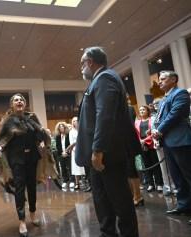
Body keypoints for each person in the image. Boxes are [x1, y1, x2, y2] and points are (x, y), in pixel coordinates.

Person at [75, 46, 138, 237]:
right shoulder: (98, 80)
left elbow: (105, 116)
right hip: (101, 155)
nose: (81, 68)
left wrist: (98, 149)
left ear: (90, 62)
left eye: (82, 63)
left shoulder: (105, 78)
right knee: (102, 201)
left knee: (120, 201)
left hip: (107, 155)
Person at [0, 93, 46, 237]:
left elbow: (39, 133)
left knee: (32, 187)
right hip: (16, 159)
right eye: (16, 100)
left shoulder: (32, 118)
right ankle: (22, 220)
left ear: (24, 104)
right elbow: (1, 140)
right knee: (19, 188)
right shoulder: (7, 121)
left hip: (32, 157)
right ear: (12, 105)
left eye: (21, 99)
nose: (19, 101)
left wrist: (41, 141)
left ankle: (33, 214)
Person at [152, 71, 191, 225]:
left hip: (180, 140)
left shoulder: (180, 93)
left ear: (174, 79)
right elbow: (160, 117)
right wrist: (155, 129)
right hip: (167, 142)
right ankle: (184, 205)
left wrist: (159, 129)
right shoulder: (163, 99)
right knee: (177, 177)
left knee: (188, 175)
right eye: (159, 79)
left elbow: (175, 114)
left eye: (163, 79)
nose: (159, 82)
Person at [135, 105, 163, 192]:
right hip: (142, 146)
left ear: (147, 111)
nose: (142, 111)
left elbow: (154, 132)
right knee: (146, 165)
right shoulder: (136, 122)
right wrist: (140, 141)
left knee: (155, 165)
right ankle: (150, 184)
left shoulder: (152, 119)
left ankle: (159, 184)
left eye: (143, 109)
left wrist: (145, 139)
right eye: (140, 110)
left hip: (152, 144)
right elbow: (136, 134)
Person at [66, 117, 85, 189]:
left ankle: (85, 181)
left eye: (76, 121)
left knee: (83, 167)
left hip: (83, 150)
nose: (75, 122)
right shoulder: (71, 132)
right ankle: (77, 183)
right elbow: (71, 142)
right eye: (73, 121)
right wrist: (74, 149)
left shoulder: (81, 130)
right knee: (76, 168)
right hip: (75, 151)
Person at [54, 122, 72, 188]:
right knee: (63, 167)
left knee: (70, 167)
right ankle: (65, 180)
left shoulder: (68, 135)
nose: (61, 128)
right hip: (61, 154)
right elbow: (57, 146)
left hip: (68, 154)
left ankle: (72, 180)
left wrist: (66, 152)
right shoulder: (58, 136)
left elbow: (70, 144)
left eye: (62, 126)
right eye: (60, 127)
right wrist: (62, 153)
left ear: (65, 127)